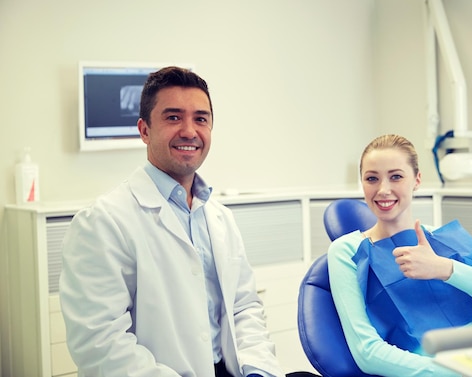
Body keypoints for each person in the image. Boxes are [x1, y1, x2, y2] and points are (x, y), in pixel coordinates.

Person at [59, 66, 318, 377]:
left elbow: (244, 307)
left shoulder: (220, 218)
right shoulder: (102, 222)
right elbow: (100, 344)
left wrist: (257, 369)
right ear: (144, 130)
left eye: (201, 118)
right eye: (173, 117)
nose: (189, 130)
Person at [327, 134, 472, 377]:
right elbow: (367, 352)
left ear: (417, 180)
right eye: (372, 178)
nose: (383, 189)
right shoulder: (346, 251)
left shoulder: (447, 238)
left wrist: (445, 269)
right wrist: (457, 372)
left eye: (396, 176)